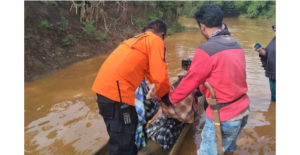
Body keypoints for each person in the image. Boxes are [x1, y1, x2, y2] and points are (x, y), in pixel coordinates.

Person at [160, 4, 250, 155]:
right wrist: (201, 90)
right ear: (221, 23)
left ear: (202, 27)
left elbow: (190, 81)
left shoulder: (206, 49)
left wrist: (170, 99)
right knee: (227, 149)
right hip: (243, 110)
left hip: (224, 116)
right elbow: (226, 77)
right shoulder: (236, 44)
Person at [91, 19, 171, 155]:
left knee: (126, 130)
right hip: (117, 97)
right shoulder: (156, 40)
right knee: (122, 144)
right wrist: (166, 98)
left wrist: (157, 86)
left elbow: (150, 73)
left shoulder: (135, 41)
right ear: (162, 34)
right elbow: (160, 76)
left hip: (104, 93)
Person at [252, 23, 277, 102]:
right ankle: (273, 111)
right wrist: (259, 50)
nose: (276, 32)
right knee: (274, 94)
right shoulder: (274, 41)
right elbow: (266, 52)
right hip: (273, 73)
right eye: (275, 30)